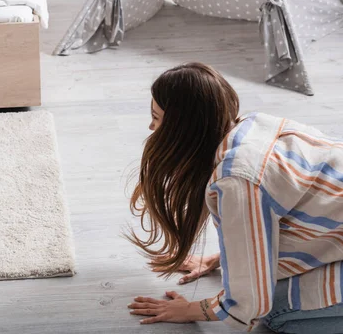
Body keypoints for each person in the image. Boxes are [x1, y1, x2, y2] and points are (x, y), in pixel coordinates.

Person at [126, 62, 343, 333]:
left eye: (157, 118)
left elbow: (247, 302)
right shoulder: (256, 125)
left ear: (180, 130)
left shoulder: (237, 180)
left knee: (277, 309)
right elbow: (285, 217)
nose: (151, 126)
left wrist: (190, 309)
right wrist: (221, 259)